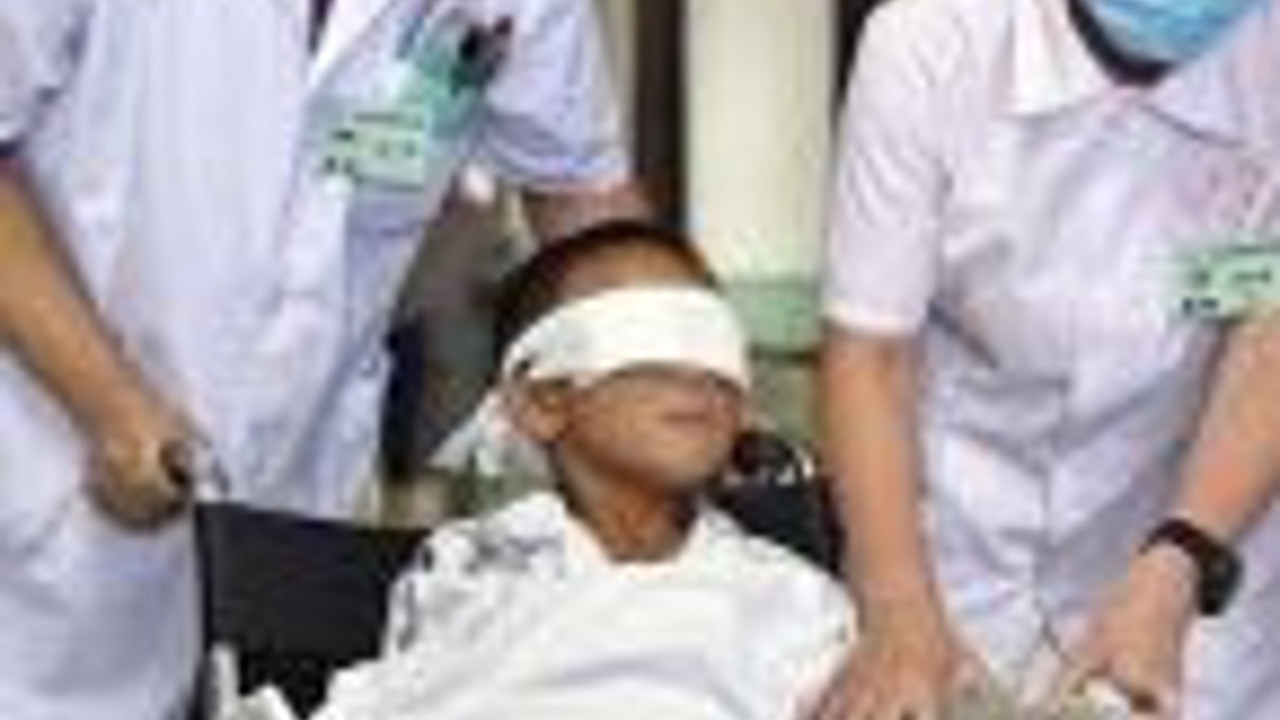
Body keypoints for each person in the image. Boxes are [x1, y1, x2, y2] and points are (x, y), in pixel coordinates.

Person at [0, 0, 643, 717]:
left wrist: (672, 370)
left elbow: (583, 196)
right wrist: (106, 400)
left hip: (289, 510)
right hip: (40, 473)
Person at [817, 0, 1280, 718]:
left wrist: (1183, 556)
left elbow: (1269, 336)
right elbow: (872, 353)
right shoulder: (933, 40)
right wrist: (898, 603)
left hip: (1193, 523)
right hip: (953, 532)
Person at [288, 221, 852, 720]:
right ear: (540, 401)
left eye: (715, 346)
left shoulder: (790, 599)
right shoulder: (473, 576)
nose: (696, 372)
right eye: (648, 335)